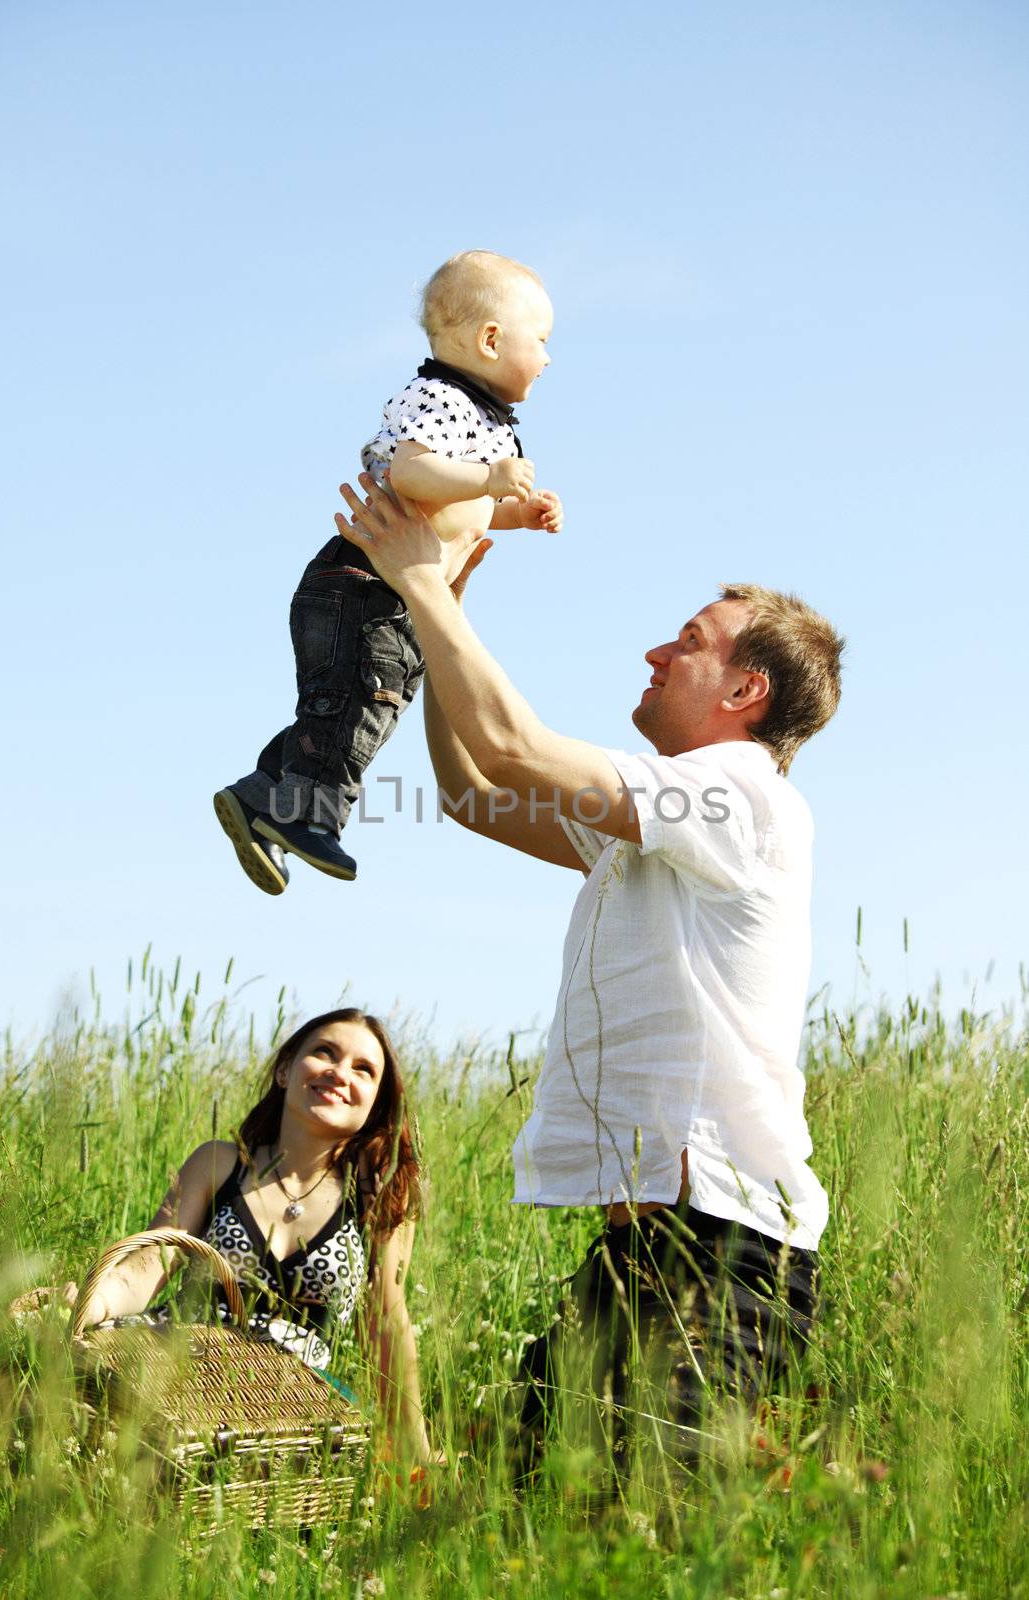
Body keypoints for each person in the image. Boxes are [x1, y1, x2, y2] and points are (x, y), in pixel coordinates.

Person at [332, 476, 845, 1474]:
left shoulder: (741, 801)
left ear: (745, 693)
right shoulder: (658, 824)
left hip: (724, 1258)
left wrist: (425, 583)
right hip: (641, 1257)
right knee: (533, 1509)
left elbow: (513, 742)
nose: (656, 651)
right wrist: (447, 615)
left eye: (687, 641)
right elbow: (475, 791)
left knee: (650, 1543)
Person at [213, 250, 563, 892]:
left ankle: (265, 792)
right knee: (358, 707)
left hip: (397, 598)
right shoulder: (439, 398)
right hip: (361, 586)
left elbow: (476, 510)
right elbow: (409, 472)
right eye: (540, 341)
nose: (546, 358)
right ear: (491, 339)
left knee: (347, 705)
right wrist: (489, 477)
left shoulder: (492, 426)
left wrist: (519, 512)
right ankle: (309, 817)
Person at [57, 1008, 435, 1465]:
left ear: (375, 1101)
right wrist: (89, 1304)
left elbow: (387, 1324)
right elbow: (147, 1265)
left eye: (363, 1069)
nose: (339, 1073)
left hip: (286, 1404)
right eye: (324, 1053)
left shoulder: (380, 1194)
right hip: (171, 1366)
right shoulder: (219, 1164)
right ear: (284, 1070)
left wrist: (418, 1452)